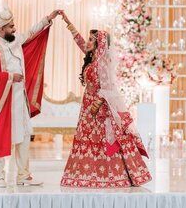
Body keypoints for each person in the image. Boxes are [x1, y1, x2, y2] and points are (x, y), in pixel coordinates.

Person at [59, 12, 152, 188]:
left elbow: (108, 88)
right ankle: (85, 174)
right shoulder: (93, 57)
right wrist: (67, 22)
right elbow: (80, 42)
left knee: (102, 140)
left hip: (99, 108)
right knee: (86, 139)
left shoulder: (104, 61)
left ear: (99, 44)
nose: (87, 42)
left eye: (91, 40)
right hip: (87, 108)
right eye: (88, 39)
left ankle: (107, 175)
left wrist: (97, 104)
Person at [0, 8, 62, 187]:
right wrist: (10, 76)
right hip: (4, 100)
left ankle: (23, 176)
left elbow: (30, 33)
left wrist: (48, 18)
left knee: (24, 136)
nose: (14, 29)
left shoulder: (15, 41)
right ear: (1, 29)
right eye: (11, 26)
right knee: (1, 137)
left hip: (20, 99)